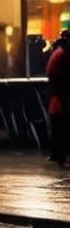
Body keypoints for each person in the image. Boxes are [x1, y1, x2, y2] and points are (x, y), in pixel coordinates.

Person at [45, 30, 70, 166]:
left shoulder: (59, 52)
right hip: (62, 94)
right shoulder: (62, 53)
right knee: (61, 124)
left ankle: (58, 153)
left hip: (59, 94)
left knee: (58, 124)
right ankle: (60, 152)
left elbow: (50, 70)